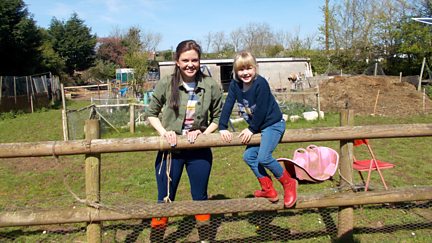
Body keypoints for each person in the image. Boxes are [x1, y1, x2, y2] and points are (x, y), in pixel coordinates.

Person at [146, 40, 223, 235]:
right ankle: (157, 238)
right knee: (165, 197)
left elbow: (218, 117)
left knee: (200, 197)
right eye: (185, 60)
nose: (190, 64)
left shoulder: (210, 85)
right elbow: (151, 113)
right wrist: (165, 132)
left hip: (199, 151)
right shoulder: (166, 83)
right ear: (177, 61)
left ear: (200, 61)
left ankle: (205, 237)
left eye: (195, 60)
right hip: (171, 152)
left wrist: (203, 135)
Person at [218, 51, 297, 208]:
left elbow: (261, 109)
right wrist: (222, 127)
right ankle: (268, 188)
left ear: (255, 68)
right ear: (235, 71)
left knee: (264, 157)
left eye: (249, 68)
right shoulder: (235, 85)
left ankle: (289, 183)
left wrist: (251, 129)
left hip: (272, 124)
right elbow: (228, 104)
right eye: (241, 69)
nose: (245, 73)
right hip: (258, 127)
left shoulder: (260, 83)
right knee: (249, 156)